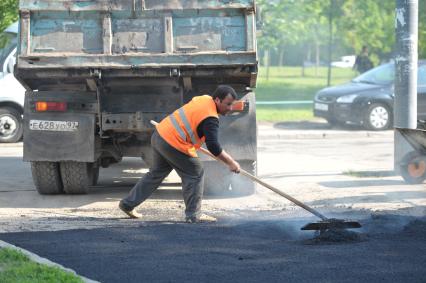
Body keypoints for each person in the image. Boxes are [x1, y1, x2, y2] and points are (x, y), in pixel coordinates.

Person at [119, 85, 241, 223]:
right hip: (172, 143)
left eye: (232, 105)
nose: (230, 108)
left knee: (156, 173)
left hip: (160, 135)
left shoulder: (205, 98)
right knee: (195, 172)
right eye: (228, 104)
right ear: (217, 100)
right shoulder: (211, 118)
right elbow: (213, 146)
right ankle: (193, 215)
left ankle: (127, 204)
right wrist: (231, 162)